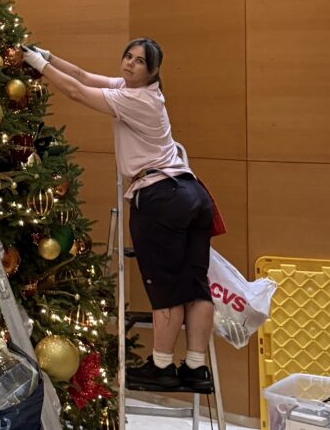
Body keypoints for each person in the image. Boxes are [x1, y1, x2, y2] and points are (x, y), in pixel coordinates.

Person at [21, 39, 215, 393]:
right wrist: (49, 56)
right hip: (192, 193)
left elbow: (78, 93)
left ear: (153, 71)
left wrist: (37, 65)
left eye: (139, 62)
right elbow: (81, 75)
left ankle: (162, 367)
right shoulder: (136, 90)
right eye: (128, 57)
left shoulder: (134, 99)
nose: (129, 65)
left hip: (160, 197)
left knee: (166, 287)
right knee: (196, 284)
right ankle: (196, 368)